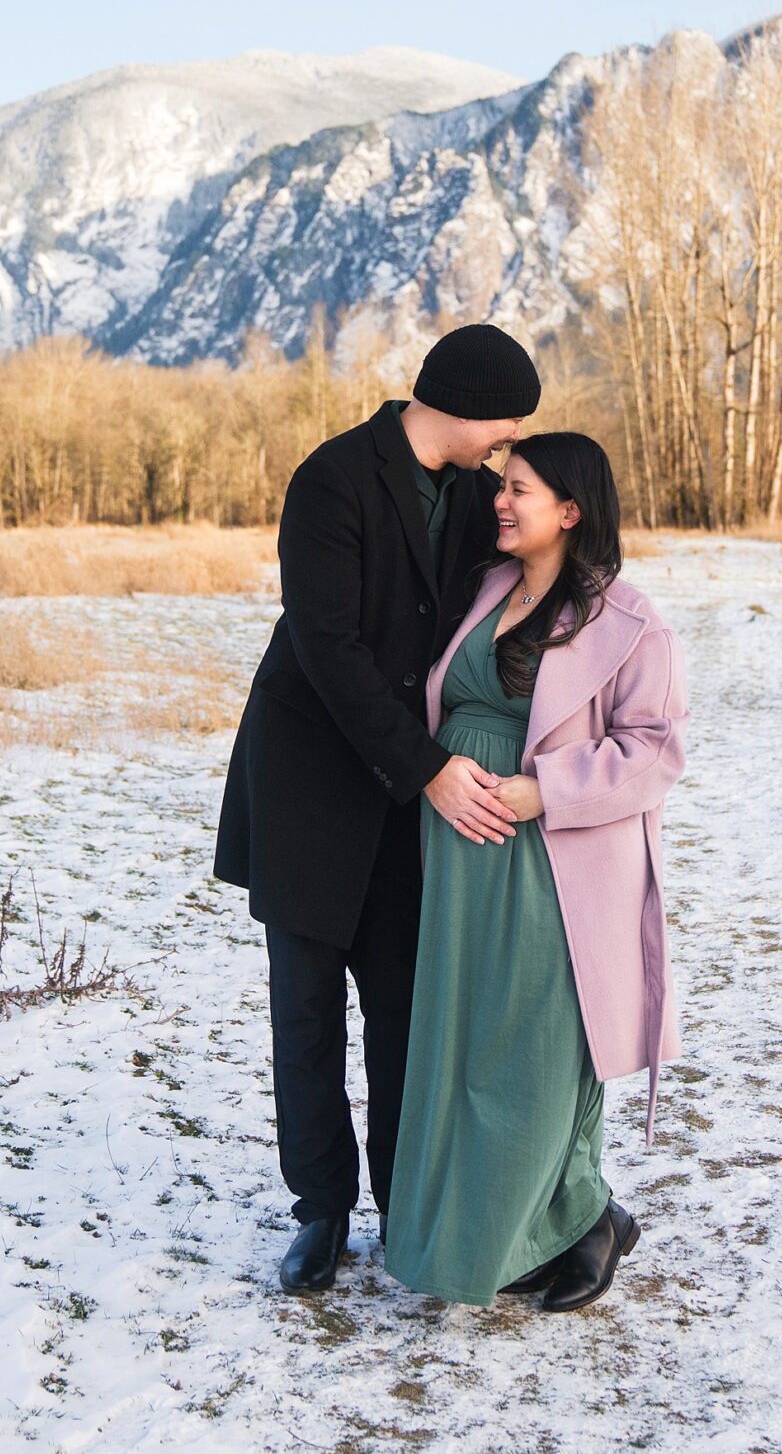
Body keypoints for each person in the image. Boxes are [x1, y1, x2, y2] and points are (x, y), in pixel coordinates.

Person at [213, 324, 543, 1294]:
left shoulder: (486, 497)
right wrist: (430, 767)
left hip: (408, 807)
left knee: (406, 1012)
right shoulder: (331, 479)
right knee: (306, 1012)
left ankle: (409, 1207)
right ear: (462, 401)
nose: (510, 439)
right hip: (312, 785)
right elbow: (327, 649)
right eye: (507, 418)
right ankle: (319, 1209)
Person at [383, 431, 688, 1313]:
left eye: (520, 489)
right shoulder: (484, 590)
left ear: (572, 510)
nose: (501, 502)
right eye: (501, 487)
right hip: (456, 852)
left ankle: (585, 1213)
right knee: (463, 1044)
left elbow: (654, 753)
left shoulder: (630, 623)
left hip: (550, 860)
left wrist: (537, 792)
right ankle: (505, 1231)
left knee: (542, 1051)